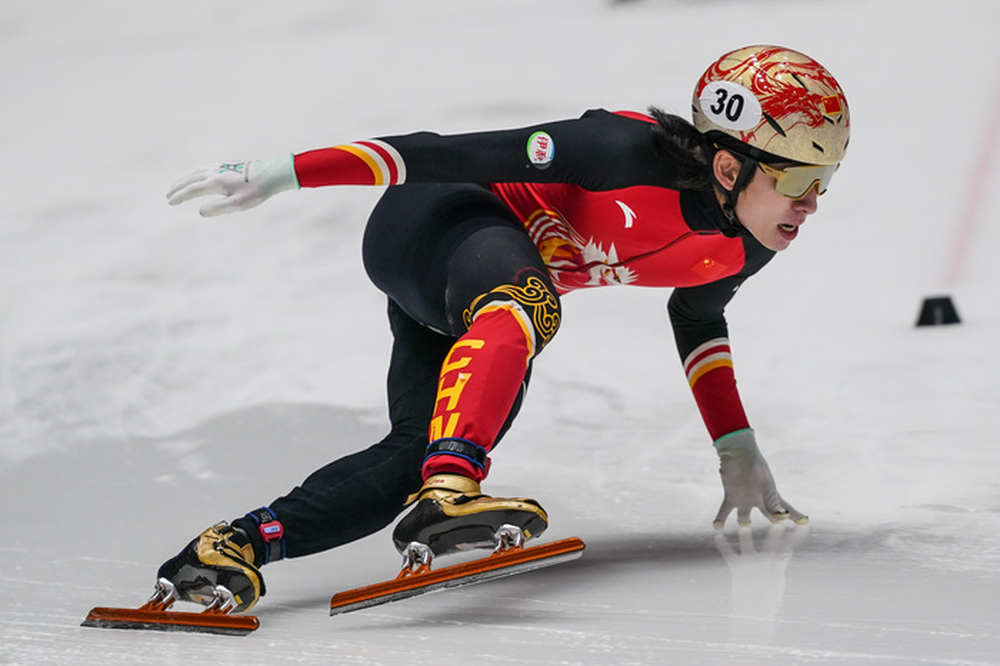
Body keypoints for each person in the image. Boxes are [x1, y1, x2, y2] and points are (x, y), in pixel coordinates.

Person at [158, 45, 850, 613]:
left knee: (414, 452)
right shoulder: (617, 150)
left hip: (482, 300)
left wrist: (735, 446)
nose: (813, 203)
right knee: (527, 307)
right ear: (728, 165)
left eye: (827, 179)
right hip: (433, 220)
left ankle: (234, 545)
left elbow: (697, 315)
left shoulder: (751, 238)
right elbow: (441, 154)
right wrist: (287, 173)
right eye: (801, 180)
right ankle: (451, 487)